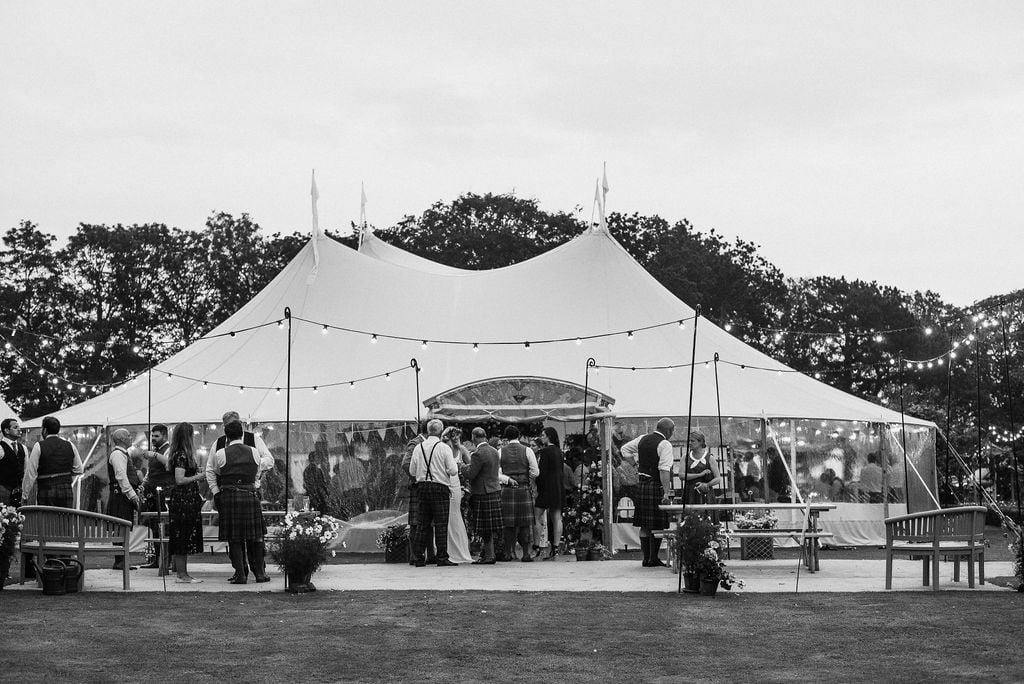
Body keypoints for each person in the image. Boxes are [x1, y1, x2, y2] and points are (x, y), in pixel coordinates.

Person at [206, 420, 274, 583]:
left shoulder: (220, 453)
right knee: (256, 537)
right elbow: (258, 471)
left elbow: (215, 471)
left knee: (234, 538)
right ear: (242, 433)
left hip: (229, 496)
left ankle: (241, 575)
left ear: (227, 436)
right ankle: (260, 574)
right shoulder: (254, 451)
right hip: (250, 494)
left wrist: (217, 492)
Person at [620, 417, 675, 567]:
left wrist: (635, 465)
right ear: (668, 431)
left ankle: (646, 559)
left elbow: (624, 450)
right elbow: (664, 470)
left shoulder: (642, 438)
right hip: (655, 485)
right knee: (657, 524)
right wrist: (666, 492)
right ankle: (653, 558)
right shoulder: (665, 444)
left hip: (642, 484)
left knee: (644, 524)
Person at [408, 419, 459, 567]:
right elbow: (453, 470)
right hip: (440, 487)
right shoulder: (444, 448)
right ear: (441, 431)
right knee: (441, 524)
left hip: (422, 487)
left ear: (428, 431)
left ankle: (418, 557)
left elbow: (412, 471)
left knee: (422, 524)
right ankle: (442, 557)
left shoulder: (418, 448)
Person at [167, 422, 205, 583]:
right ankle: (182, 575)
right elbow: (179, 479)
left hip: (186, 499)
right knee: (182, 535)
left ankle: (183, 573)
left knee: (183, 535)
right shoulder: (182, 456)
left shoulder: (178, 454)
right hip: (184, 500)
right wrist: (198, 477)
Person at [461, 427, 503, 564]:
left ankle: (489, 556)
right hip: (494, 490)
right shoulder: (494, 451)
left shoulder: (477, 454)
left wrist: (461, 466)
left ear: (473, 437)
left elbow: (471, 474)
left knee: (485, 527)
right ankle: (489, 554)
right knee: (490, 527)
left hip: (482, 492)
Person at [21, 416, 83, 508]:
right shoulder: (70, 445)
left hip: (46, 489)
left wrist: (25, 495)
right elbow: (79, 469)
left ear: (45, 430)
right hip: (66, 489)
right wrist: (64, 475)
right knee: (65, 516)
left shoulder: (39, 446)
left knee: (47, 517)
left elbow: (31, 473)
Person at [498, 425, 539, 562]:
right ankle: (526, 554)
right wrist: (525, 476)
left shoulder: (500, 451)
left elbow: (496, 473)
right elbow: (536, 472)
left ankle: (507, 553)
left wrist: (507, 479)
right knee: (525, 523)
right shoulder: (528, 450)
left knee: (508, 524)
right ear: (519, 435)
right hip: (523, 488)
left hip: (507, 489)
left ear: (506, 437)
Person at [107, 428, 143, 571]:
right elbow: (121, 477)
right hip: (120, 496)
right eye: (128, 435)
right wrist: (132, 495)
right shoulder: (117, 454)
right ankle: (120, 561)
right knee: (120, 528)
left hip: (122, 496)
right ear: (122, 439)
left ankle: (122, 560)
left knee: (124, 528)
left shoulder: (122, 454)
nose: (131, 437)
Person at [139, 424, 173, 569]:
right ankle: (157, 559)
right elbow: (149, 473)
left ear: (164, 436)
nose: (153, 438)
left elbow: (170, 464)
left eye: (156, 436)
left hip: (165, 493)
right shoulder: (154, 451)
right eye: (152, 436)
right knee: (154, 527)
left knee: (165, 528)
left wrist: (154, 455)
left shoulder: (169, 449)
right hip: (152, 494)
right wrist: (143, 485)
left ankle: (167, 561)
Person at [440, 426, 473, 564]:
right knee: (445, 516)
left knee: (456, 515)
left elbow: (471, 467)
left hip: (457, 485)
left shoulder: (462, 450)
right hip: (445, 483)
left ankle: (459, 550)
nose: (455, 439)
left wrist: (466, 486)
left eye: (457, 436)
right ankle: (446, 550)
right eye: (452, 436)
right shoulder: (443, 449)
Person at [533, 427, 565, 559]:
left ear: (549, 436)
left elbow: (541, 471)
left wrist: (537, 486)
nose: (541, 437)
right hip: (558, 487)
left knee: (536, 516)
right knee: (557, 517)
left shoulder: (545, 452)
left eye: (543, 435)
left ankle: (537, 546)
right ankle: (555, 547)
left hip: (546, 488)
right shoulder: (559, 451)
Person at [681, 430, 722, 504]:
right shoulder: (685, 457)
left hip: (706, 494)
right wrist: (699, 474)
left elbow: (718, 478)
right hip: (689, 494)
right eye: (689, 441)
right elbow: (681, 475)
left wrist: (707, 484)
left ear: (700, 442)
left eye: (692, 441)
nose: (689, 443)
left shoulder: (709, 458)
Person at [0, 418, 26, 506]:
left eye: (19, 427)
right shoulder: (0, 447)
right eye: (15, 427)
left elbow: (26, 469)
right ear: (6, 430)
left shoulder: (23, 448)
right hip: (3, 490)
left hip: (19, 491)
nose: (19, 429)